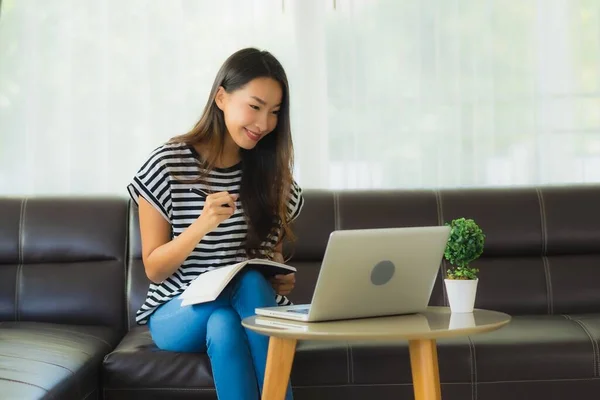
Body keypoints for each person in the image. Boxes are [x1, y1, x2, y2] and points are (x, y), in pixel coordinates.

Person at [126, 48, 303, 400]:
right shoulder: (168, 165)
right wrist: (200, 226)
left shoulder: (271, 174)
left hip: (240, 311)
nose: (264, 124)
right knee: (245, 284)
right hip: (177, 311)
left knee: (225, 324)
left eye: (274, 113)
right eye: (254, 107)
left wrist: (281, 278)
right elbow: (155, 269)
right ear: (221, 97)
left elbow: (275, 256)